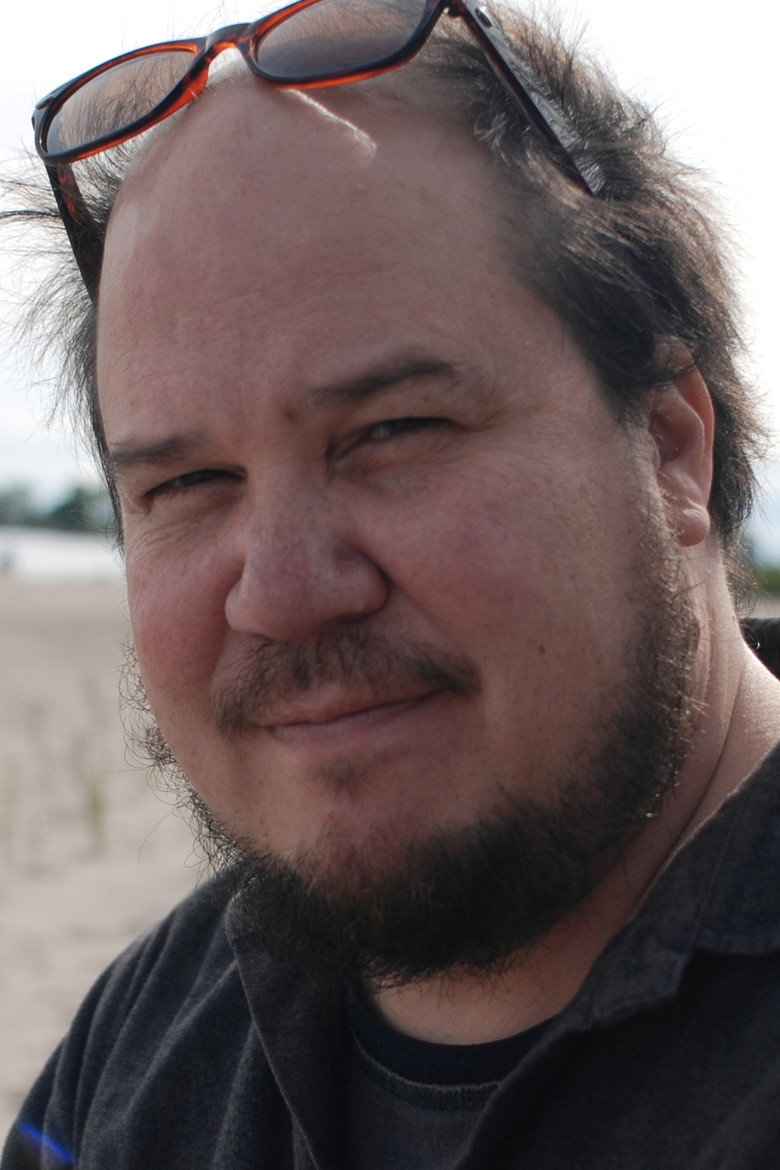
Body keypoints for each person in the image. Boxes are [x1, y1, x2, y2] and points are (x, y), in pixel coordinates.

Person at [4, 1, 780, 1166]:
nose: (282, 594)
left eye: (393, 431)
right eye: (189, 483)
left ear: (671, 446)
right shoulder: (147, 1041)